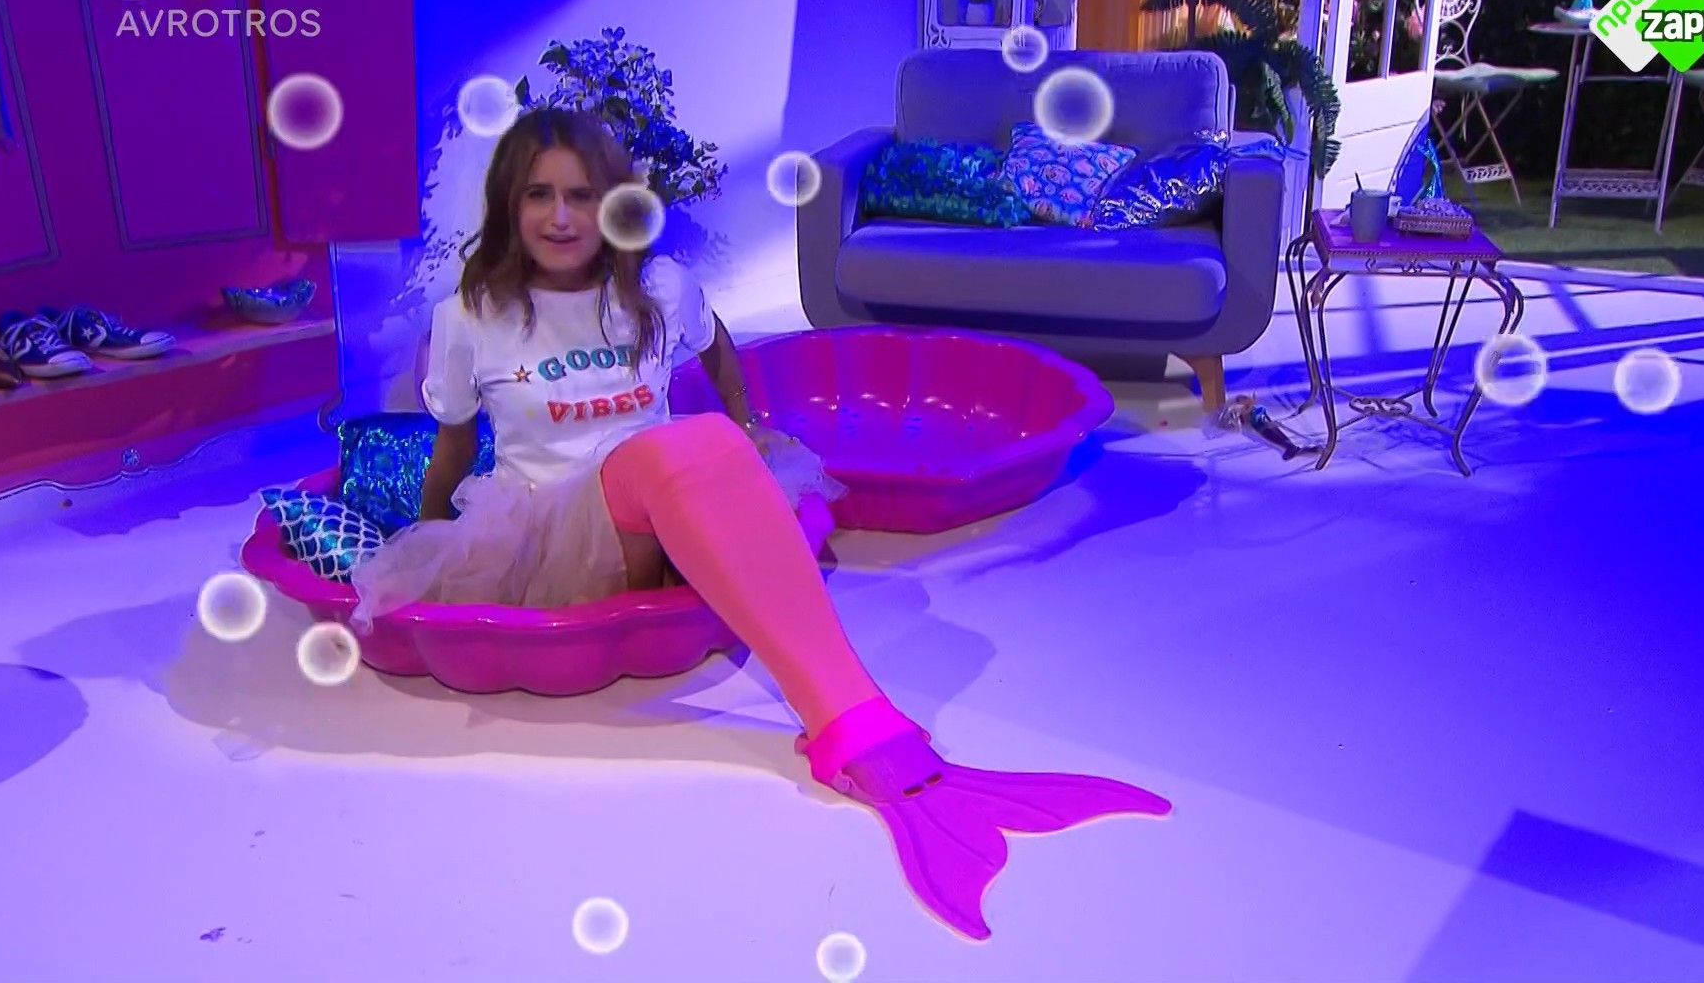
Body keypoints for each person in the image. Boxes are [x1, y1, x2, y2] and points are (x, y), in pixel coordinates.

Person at [350, 108, 1170, 941]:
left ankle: (856, 720)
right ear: (508, 204)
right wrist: (430, 544)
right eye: (538, 195)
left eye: (582, 194)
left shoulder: (659, 288)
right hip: (560, 533)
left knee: (696, 444)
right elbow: (454, 445)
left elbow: (715, 345)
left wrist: (743, 425)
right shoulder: (472, 315)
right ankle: (851, 722)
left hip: (663, 508)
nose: (561, 217)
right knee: (684, 445)